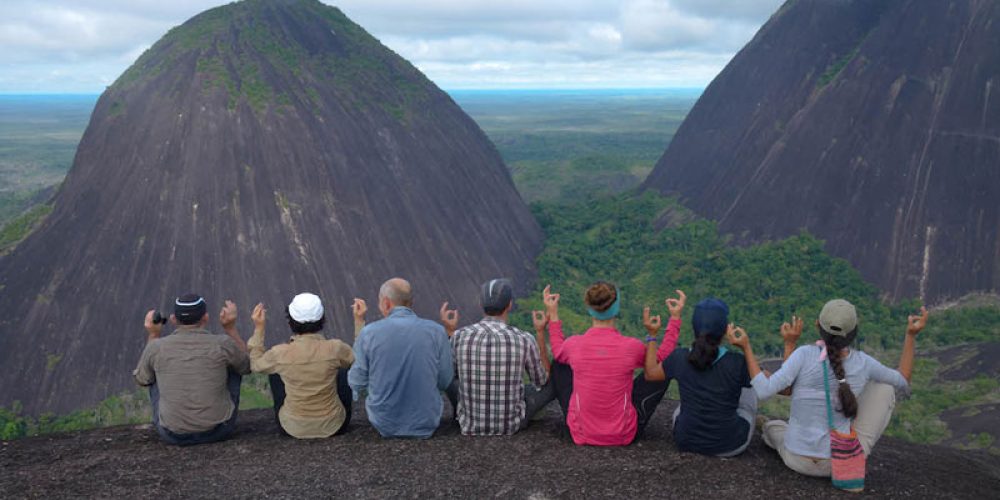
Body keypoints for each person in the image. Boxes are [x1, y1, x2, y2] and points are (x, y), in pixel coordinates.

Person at [728, 299, 928, 477]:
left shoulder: (803, 354)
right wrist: (911, 335)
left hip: (796, 459)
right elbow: (903, 379)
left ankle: (769, 428)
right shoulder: (864, 363)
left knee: (774, 428)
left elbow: (764, 390)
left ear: (817, 325)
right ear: (854, 331)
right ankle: (855, 448)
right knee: (885, 387)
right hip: (838, 463)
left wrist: (747, 347)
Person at [544, 282, 684, 446]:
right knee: (660, 370)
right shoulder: (630, 347)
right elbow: (660, 358)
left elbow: (557, 350)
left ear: (589, 308)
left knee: (560, 363)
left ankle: (579, 417)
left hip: (581, 432)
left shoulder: (574, 345)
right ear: (616, 309)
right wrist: (675, 319)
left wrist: (553, 313)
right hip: (623, 434)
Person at [643, 298, 757, 456]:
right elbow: (769, 384)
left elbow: (650, 374)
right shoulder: (737, 362)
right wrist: (746, 348)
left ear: (694, 328)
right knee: (752, 384)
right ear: (725, 330)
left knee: (680, 410)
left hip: (686, 440)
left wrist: (652, 336)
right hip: (730, 445)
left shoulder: (679, 357)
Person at [440, 278, 553, 436]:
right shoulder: (524, 338)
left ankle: (462, 414)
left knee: (447, 375)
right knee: (552, 381)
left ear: (481, 304)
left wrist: (450, 332)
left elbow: (450, 376)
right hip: (511, 425)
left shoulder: (459, 336)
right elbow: (541, 381)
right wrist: (540, 332)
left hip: (469, 425)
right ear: (509, 305)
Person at [133, 294, 250, 446]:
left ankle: (174, 419)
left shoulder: (157, 347)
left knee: (152, 369)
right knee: (234, 360)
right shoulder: (222, 344)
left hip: (172, 434)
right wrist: (230, 328)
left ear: (173, 319)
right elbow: (246, 366)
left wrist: (153, 335)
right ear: (206, 318)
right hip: (219, 431)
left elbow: (142, 379)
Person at [347, 278, 453, 438]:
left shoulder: (369, 333)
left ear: (386, 303)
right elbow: (445, 379)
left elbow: (356, 381)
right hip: (427, 421)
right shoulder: (437, 332)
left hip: (383, 422)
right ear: (411, 302)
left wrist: (375, 391)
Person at [245, 294, 357, 439]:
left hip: (292, 427)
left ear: (290, 321)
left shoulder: (280, 353)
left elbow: (256, 365)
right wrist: (359, 321)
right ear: (322, 319)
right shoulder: (335, 348)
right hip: (334, 425)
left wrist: (259, 328)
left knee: (275, 372)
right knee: (343, 370)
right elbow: (358, 358)